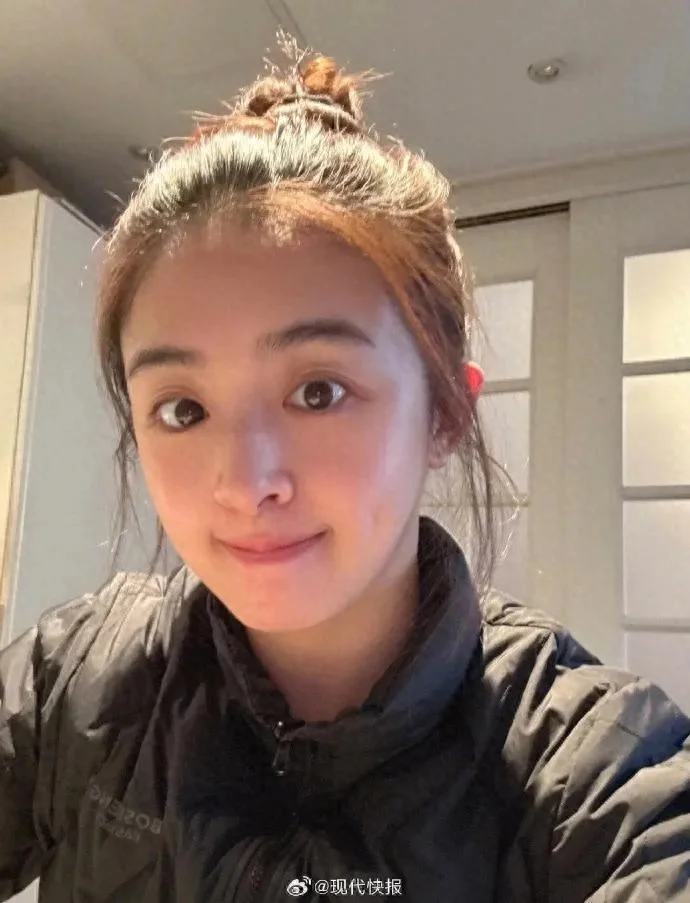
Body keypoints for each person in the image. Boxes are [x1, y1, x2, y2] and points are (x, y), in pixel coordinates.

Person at [1, 48, 689, 903]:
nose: (245, 483)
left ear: (446, 412)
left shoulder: (593, 763)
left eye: (318, 392)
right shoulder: (77, 680)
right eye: (182, 408)